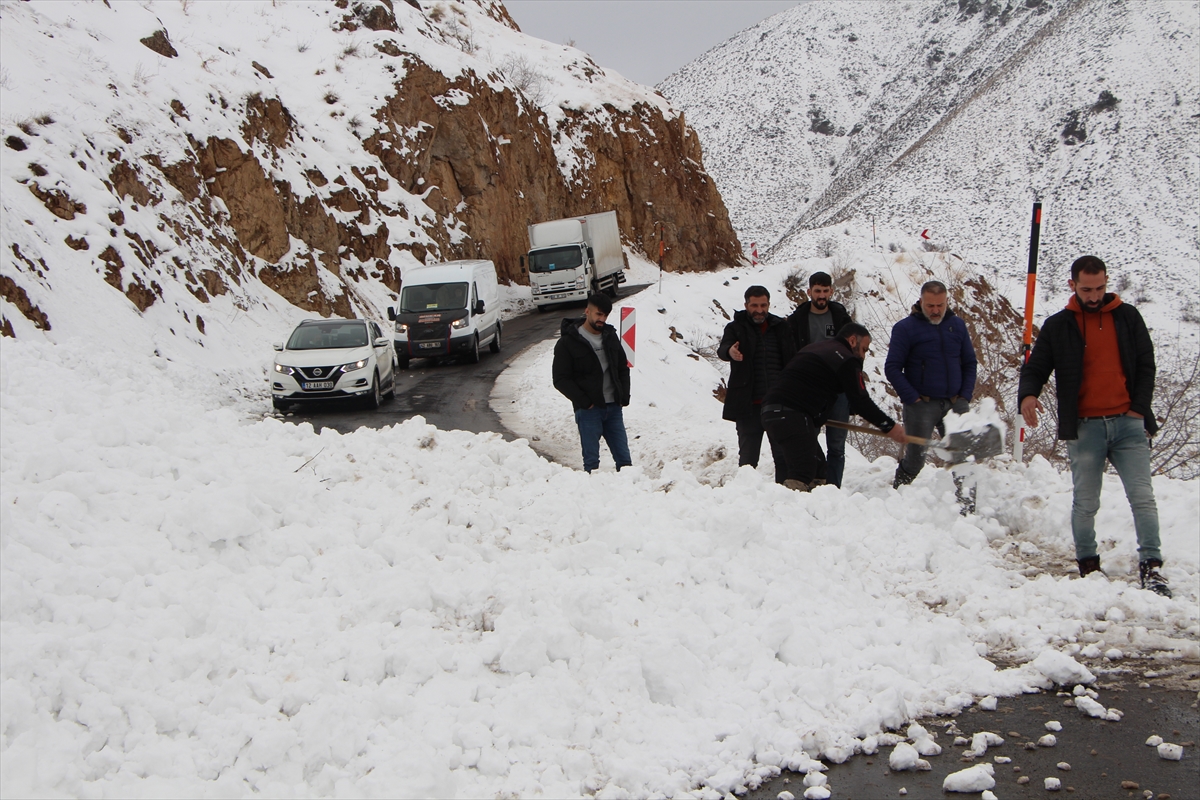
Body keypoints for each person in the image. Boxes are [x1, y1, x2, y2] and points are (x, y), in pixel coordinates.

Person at [1018, 256, 1169, 597]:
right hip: (1085, 428)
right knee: (1086, 502)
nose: (1094, 295)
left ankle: (1152, 567)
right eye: (1086, 289)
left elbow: (1147, 365)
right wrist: (1028, 395)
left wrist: (1138, 410)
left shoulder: (1127, 317)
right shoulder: (1059, 325)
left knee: (1142, 498)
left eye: (1100, 287)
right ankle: (1088, 565)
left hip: (1128, 424)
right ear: (1073, 285)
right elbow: (1037, 366)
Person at [762, 322, 906, 491]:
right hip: (792, 414)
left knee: (818, 469)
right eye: (864, 349)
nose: (863, 356)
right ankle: (788, 511)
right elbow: (861, 401)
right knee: (802, 473)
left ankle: (818, 510)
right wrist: (890, 427)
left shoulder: (816, 348)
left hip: (771, 411)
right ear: (852, 341)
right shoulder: (846, 359)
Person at [884, 281, 978, 493]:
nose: (935, 311)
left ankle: (967, 510)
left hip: (956, 403)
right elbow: (892, 368)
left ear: (947, 302)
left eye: (940, 305)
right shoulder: (905, 328)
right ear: (921, 301)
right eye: (930, 306)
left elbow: (970, 362)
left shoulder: (957, 325)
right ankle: (898, 495)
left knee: (963, 456)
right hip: (921, 404)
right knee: (916, 458)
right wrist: (912, 398)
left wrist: (965, 396)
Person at [718, 285, 797, 483]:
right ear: (746, 305)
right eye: (754, 305)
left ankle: (785, 497)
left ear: (769, 305)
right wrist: (730, 352)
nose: (759, 310)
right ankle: (746, 498)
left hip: (777, 405)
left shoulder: (781, 327)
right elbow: (723, 349)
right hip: (748, 405)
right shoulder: (735, 328)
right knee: (747, 460)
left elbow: (793, 359)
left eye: (763, 305)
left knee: (783, 458)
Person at [552, 292, 632, 473]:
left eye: (605, 315)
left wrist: (624, 395)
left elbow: (622, 368)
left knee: (625, 462)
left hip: (613, 408)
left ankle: (629, 497)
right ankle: (592, 498)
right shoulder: (568, 342)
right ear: (587, 311)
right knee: (591, 465)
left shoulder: (610, 337)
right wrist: (584, 402)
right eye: (598, 314)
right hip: (589, 411)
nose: (602, 319)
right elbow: (560, 379)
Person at [787, 271, 853, 487]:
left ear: (831, 291)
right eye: (817, 291)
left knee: (837, 445)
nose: (822, 295)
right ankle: (810, 480)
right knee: (807, 438)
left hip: (839, 390)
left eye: (825, 291)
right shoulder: (797, 320)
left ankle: (833, 488)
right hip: (809, 390)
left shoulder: (842, 319)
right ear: (809, 292)